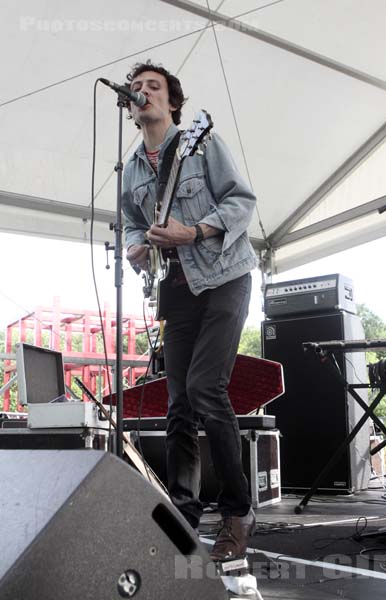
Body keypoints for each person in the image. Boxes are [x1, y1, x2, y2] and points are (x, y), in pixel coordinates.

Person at [122, 60, 258, 562]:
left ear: (172, 103)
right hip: (176, 289)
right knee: (177, 402)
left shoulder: (200, 142)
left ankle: (237, 512)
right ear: (130, 108)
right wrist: (137, 247)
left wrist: (195, 231)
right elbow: (133, 223)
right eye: (135, 90)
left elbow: (242, 202)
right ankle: (182, 513)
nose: (143, 94)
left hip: (224, 277)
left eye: (153, 88)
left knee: (205, 387)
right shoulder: (133, 167)